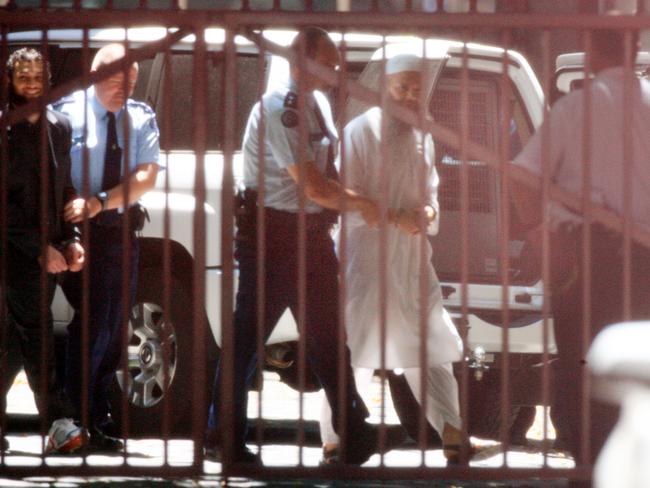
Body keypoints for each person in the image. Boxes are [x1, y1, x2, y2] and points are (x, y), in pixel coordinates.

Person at [205, 26, 404, 465]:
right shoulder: (283, 108)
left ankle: (353, 433)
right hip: (273, 237)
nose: (335, 72)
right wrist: (365, 205)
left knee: (329, 339)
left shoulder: (315, 105)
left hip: (310, 236)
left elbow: (328, 172)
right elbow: (313, 185)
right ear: (302, 62)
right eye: (328, 63)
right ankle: (223, 437)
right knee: (248, 341)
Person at [318, 53, 471, 464]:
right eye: (402, 87)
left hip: (413, 259)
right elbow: (345, 199)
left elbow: (433, 196)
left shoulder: (425, 137)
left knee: (430, 342)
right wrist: (396, 216)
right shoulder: (358, 133)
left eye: (417, 90)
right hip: (364, 261)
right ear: (384, 86)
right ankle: (335, 438)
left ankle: (453, 430)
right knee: (354, 349)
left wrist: (430, 214)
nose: (410, 97)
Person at [511, 29, 650, 473]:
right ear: (634, 51)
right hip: (645, 258)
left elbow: (522, 177)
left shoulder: (575, 109)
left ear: (592, 52)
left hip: (586, 258)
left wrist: (537, 232)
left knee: (581, 365)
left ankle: (589, 464)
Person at [54, 43, 161, 451]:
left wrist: (101, 200)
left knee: (117, 329)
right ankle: (78, 417)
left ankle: (93, 411)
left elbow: (147, 175)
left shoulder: (139, 117)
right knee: (95, 323)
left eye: (131, 81)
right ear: (97, 75)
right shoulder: (66, 113)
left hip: (119, 228)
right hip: (77, 233)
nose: (125, 88)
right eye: (118, 80)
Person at [0, 48, 87, 454]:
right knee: (36, 333)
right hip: (13, 251)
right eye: (23, 77)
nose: (32, 84)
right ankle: (58, 421)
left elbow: (63, 188)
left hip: (48, 253)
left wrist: (70, 238)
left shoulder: (60, 126)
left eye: (38, 76)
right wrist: (39, 249)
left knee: (15, 341)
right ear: (10, 81)